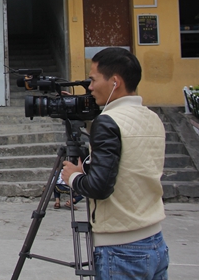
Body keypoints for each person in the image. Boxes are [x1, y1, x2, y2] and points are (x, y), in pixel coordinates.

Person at [61, 47, 169, 279]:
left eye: (93, 79)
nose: (89, 87)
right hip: (155, 241)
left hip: (121, 249)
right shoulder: (152, 118)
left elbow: (99, 187)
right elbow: (128, 155)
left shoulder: (108, 122)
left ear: (115, 82)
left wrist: (73, 177)